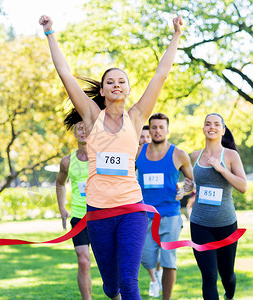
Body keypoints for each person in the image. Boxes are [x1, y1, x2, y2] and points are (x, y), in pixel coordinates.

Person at [39, 14, 183, 299]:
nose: (117, 85)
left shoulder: (137, 116)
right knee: (111, 287)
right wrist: (50, 33)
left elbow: (161, 74)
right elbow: (66, 75)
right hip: (98, 213)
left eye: (122, 81)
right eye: (111, 82)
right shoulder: (92, 117)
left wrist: (176, 35)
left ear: (128, 88)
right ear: (103, 90)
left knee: (129, 282)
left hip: (131, 209)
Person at [135, 113, 194, 299]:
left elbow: (192, 181)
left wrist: (184, 190)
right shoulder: (138, 153)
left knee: (169, 261)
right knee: (145, 258)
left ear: (168, 130)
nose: (157, 130)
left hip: (170, 215)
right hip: (145, 216)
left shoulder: (179, 154)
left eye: (161, 127)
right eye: (154, 127)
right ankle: (156, 271)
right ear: (149, 130)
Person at [189, 113, 247, 300]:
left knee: (226, 274)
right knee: (209, 275)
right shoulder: (194, 156)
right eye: (207, 124)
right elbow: (193, 184)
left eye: (216, 124)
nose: (211, 127)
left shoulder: (230, 155)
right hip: (200, 224)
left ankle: (229, 295)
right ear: (203, 128)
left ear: (223, 130)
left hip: (226, 225)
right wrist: (187, 187)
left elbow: (243, 186)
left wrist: (221, 169)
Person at [56, 121, 92, 300]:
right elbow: (60, 184)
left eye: (86, 128)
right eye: (79, 128)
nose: (83, 131)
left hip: (101, 216)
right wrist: (62, 208)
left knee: (109, 263)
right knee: (83, 260)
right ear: (75, 133)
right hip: (79, 217)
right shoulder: (67, 161)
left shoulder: (102, 157)